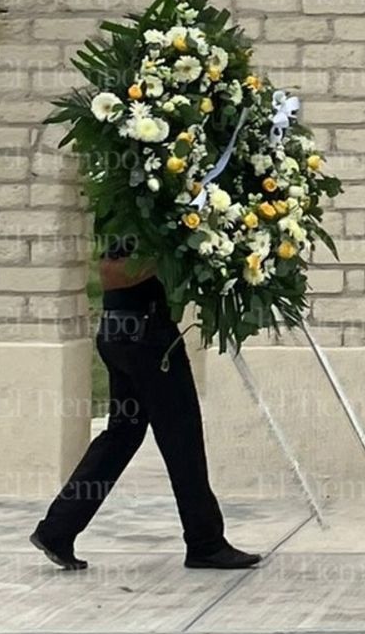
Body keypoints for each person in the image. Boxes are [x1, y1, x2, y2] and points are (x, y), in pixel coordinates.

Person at [30, 239, 262, 572]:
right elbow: (111, 272)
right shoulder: (139, 203)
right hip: (143, 335)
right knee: (181, 434)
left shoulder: (162, 208)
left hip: (134, 332)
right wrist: (174, 253)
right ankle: (205, 542)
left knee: (123, 435)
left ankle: (57, 530)